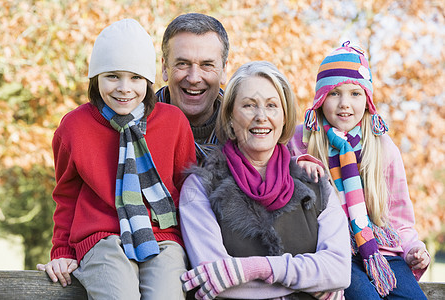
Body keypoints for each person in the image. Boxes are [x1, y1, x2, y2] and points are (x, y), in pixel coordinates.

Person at [36, 19, 196, 299]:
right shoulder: (73, 127)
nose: (124, 88)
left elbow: (188, 191)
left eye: (135, 78)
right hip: (101, 238)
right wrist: (61, 251)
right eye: (112, 76)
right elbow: (66, 196)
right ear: (95, 77)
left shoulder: (174, 122)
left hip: (163, 237)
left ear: (148, 80)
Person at [179, 61, 351, 300]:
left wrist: (258, 268)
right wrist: (312, 281)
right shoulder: (200, 188)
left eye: (272, 106)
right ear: (229, 117)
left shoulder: (316, 183)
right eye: (249, 106)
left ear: (284, 117)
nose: (261, 117)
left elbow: (340, 270)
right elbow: (214, 280)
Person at [289, 41, 430, 299]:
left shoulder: (382, 146)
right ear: (320, 98)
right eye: (334, 93)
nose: (345, 103)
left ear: (367, 100)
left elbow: (400, 218)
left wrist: (412, 249)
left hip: (382, 250)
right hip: (334, 251)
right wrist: (298, 166)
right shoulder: (302, 140)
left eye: (355, 93)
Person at [156, 13, 229, 163]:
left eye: (207, 65)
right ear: (164, 68)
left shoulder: (249, 132)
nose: (194, 78)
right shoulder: (133, 129)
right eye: (182, 64)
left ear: (224, 70)